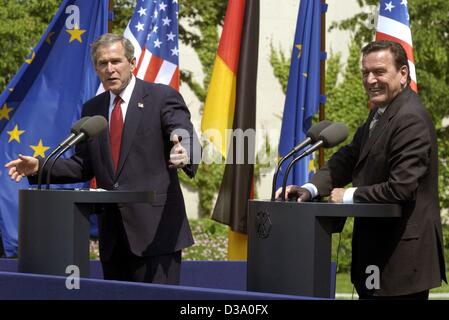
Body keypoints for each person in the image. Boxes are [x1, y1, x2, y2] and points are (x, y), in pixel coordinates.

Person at [5, 33, 200, 285]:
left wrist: (184, 149)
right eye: (102, 63)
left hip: (156, 235)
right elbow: (83, 165)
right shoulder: (93, 110)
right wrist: (39, 166)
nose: (110, 69)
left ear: (132, 63)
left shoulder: (161, 97)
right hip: (113, 238)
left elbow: (183, 131)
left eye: (116, 61)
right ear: (96, 68)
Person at [277, 40, 446, 299]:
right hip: (377, 260)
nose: (370, 80)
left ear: (403, 74)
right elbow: (347, 158)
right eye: (365, 73)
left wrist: (347, 196)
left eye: (379, 72)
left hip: (400, 262)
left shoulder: (410, 118)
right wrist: (309, 189)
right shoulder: (381, 113)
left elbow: (401, 187)